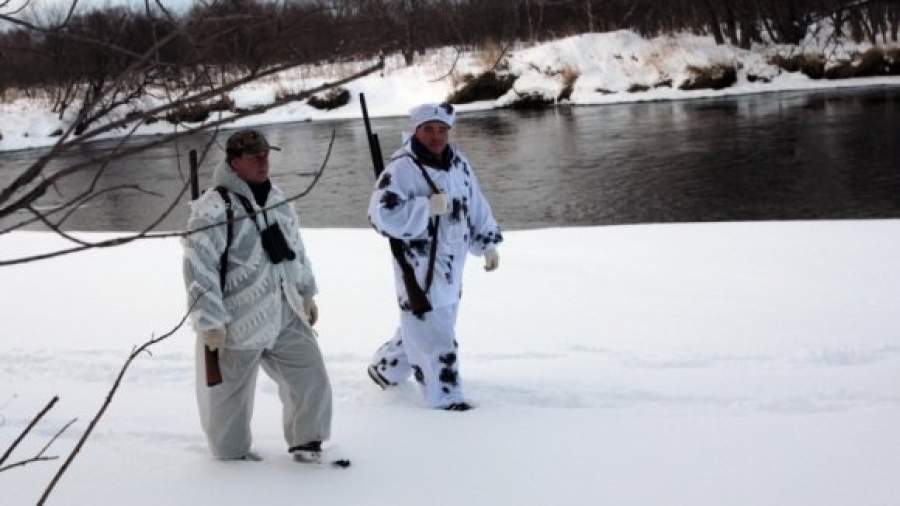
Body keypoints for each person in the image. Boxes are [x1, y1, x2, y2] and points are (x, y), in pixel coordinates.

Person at [182, 129, 332, 463]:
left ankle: (308, 443)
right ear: (235, 162)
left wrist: (306, 291)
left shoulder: (277, 198)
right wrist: (209, 322)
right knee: (227, 400)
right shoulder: (212, 209)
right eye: (255, 156)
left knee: (310, 375)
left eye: (266, 154)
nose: (264, 161)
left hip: (285, 311)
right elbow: (198, 270)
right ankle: (231, 461)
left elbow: (296, 250)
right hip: (237, 321)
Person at [367, 103, 503, 411]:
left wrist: (487, 241)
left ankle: (387, 367)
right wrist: (425, 208)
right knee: (435, 334)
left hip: (453, 263)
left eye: (442, 130)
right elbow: (380, 216)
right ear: (416, 130)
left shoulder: (459, 164)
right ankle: (445, 398)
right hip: (419, 266)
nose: (436, 136)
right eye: (429, 129)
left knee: (427, 322)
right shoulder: (401, 169)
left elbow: (476, 202)